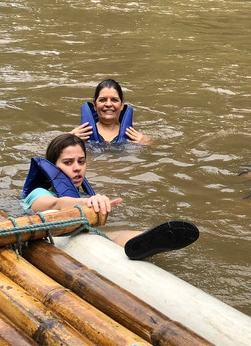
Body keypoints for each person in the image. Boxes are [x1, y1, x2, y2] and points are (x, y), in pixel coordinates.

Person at [21, 133, 196, 260]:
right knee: (103, 237)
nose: (77, 168)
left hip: (78, 236)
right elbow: (54, 204)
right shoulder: (38, 193)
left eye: (81, 161)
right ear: (54, 166)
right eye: (68, 162)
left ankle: (146, 242)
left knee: (123, 234)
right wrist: (86, 202)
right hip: (49, 241)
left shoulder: (83, 193)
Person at [71, 79, 150, 145]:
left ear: (122, 105)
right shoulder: (79, 134)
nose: (108, 104)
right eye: (102, 100)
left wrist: (146, 143)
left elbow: (157, 148)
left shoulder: (136, 136)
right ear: (95, 105)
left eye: (114, 100)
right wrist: (68, 139)